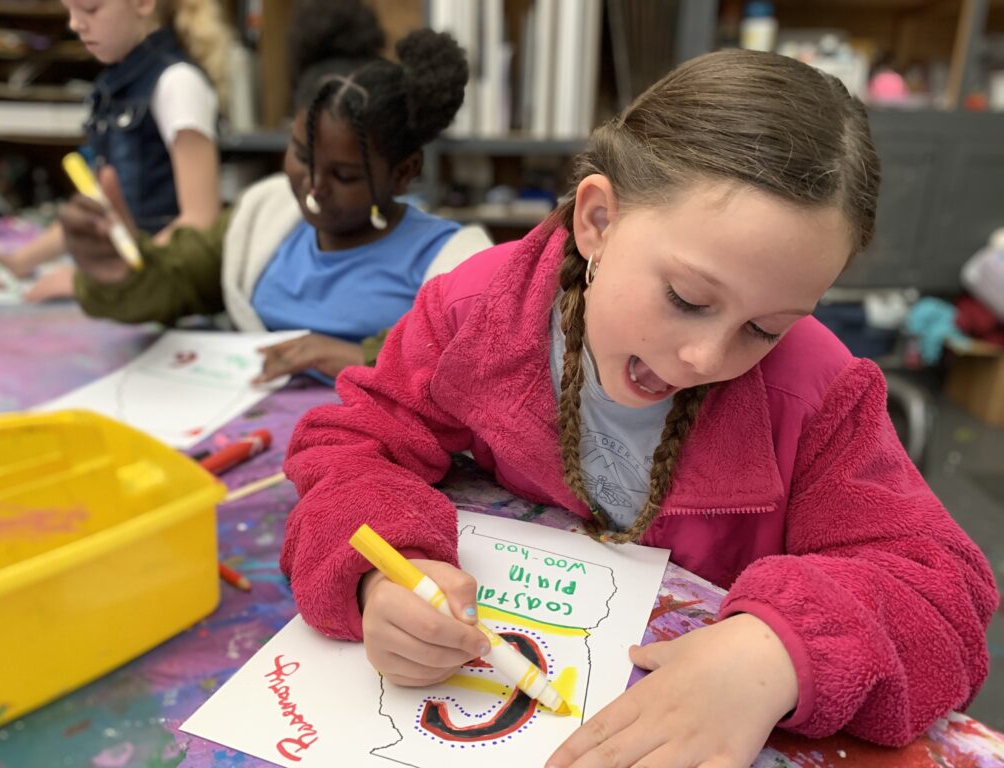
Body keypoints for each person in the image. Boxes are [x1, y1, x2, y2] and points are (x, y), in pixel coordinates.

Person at [279, 50, 997, 768]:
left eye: (765, 327)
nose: (707, 359)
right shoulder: (482, 311)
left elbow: (945, 600)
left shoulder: (818, 392)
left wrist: (779, 651)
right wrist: (383, 569)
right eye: (687, 299)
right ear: (597, 220)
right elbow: (353, 441)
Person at [62, 0, 489, 385]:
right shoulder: (263, 216)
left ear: (403, 173)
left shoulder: (455, 260)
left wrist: (359, 357)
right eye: (302, 157)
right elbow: (173, 280)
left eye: (343, 176)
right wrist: (116, 272)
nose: (314, 189)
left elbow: (477, 355)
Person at [0, 0, 228, 301]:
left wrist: (96, 279)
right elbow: (97, 212)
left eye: (90, 9)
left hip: (167, 292)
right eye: (69, 10)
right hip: (128, 287)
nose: (74, 24)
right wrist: (20, 261)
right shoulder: (113, 88)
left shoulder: (178, 84)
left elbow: (200, 221)